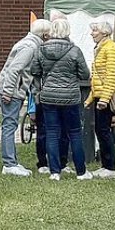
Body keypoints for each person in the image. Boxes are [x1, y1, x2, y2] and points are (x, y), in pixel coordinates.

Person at [29, 17, 93, 181]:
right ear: (67, 31)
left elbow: (34, 71)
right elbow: (85, 74)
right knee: (74, 133)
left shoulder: (41, 49)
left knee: (51, 132)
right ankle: (81, 172)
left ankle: (55, 172)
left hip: (48, 96)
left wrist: (41, 87)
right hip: (70, 97)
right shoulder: (75, 50)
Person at [0, 20, 46, 178]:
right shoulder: (30, 47)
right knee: (9, 125)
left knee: (10, 125)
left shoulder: (28, 43)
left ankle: (12, 161)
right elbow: (14, 69)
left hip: (13, 89)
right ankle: (9, 163)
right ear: (44, 34)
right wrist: (9, 92)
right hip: (13, 90)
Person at [84, 18, 115, 178]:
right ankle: (106, 165)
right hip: (100, 96)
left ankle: (110, 167)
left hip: (105, 98)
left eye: (95, 30)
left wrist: (104, 99)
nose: (92, 33)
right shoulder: (101, 48)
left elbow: (111, 76)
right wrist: (89, 99)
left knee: (104, 131)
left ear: (105, 32)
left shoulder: (111, 49)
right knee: (101, 131)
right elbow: (97, 79)